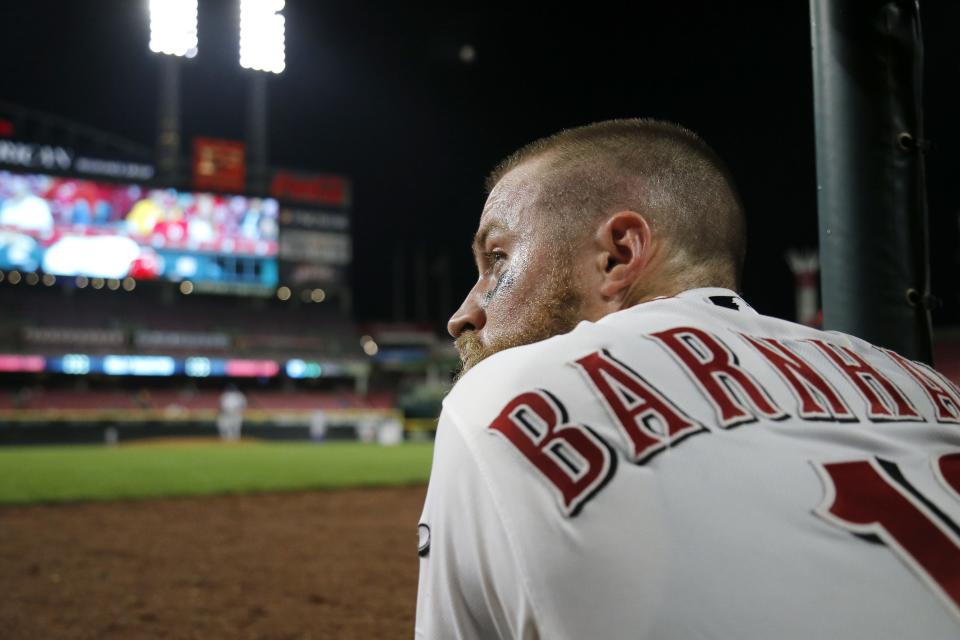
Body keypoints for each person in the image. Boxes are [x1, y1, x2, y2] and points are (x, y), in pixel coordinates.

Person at [415, 119, 960, 639]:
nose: (463, 313)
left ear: (618, 254)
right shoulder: (929, 385)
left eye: (497, 257)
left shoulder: (506, 390)